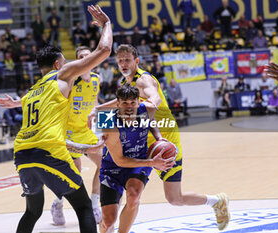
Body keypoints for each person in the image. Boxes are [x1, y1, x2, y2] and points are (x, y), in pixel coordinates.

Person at [88, 44, 230, 231]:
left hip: (163, 141)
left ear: (136, 61)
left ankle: (216, 201)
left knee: (174, 198)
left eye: (127, 60)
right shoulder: (126, 84)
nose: (123, 63)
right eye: (120, 60)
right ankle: (111, 222)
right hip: (140, 143)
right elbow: (125, 101)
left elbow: (152, 97)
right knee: (132, 193)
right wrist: (98, 109)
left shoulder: (144, 79)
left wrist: (150, 106)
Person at [0, 5, 112, 233]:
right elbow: (105, 49)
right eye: (75, 59)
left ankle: (84, 201)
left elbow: (97, 104)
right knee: (82, 206)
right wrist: (107, 24)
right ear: (60, 64)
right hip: (55, 143)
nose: (79, 62)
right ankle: (61, 203)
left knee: (32, 211)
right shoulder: (66, 75)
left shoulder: (34, 89)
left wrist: (101, 129)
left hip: (23, 152)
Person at [100, 84, 174, 233]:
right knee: (108, 221)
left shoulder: (146, 109)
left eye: (133, 103)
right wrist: (152, 162)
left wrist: (159, 138)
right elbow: (119, 160)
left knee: (133, 196)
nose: (129, 107)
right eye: (125, 103)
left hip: (138, 163)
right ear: (118, 103)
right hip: (112, 167)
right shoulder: (106, 120)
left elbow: (151, 119)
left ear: (138, 103)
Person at [50, 46, 104, 226]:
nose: (85, 60)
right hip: (69, 133)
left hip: (86, 131)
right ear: (76, 61)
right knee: (74, 174)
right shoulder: (70, 81)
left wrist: (103, 126)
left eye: (88, 56)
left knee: (103, 165)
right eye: (81, 57)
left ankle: (95, 205)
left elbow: (95, 102)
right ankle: (58, 203)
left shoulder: (97, 79)